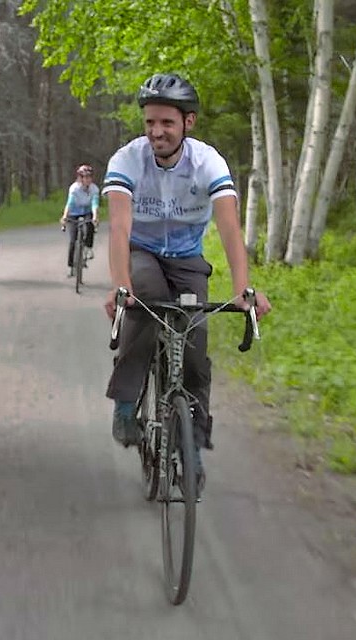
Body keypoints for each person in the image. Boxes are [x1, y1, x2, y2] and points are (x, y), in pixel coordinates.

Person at [102, 73, 271, 488]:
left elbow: (230, 229)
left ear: (187, 123)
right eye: (150, 123)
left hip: (188, 260)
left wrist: (243, 289)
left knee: (195, 348)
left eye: (167, 123)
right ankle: (126, 406)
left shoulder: (207, 162)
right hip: (141, 253)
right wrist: (120, 285)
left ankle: (193, 440)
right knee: (147, 305)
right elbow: (120, 229)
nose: (157, 132)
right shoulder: (127, 159)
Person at [60, 164, 99, 276]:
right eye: (85, 177)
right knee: (73, 239)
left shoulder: (94, 189)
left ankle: (88, 248)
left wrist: (95, 216)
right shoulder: (74, 188)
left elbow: (95, 204)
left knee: (90, 225)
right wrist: (65, 216)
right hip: (73, 213)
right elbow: (69, 203)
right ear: (80, 178)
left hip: (87, 211)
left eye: (89, 177)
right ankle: (71, 265)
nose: (88, 180)